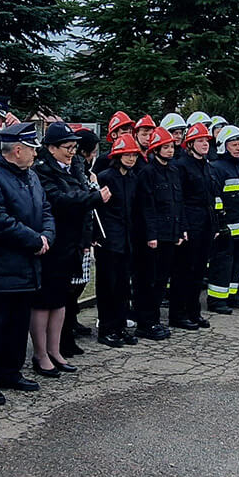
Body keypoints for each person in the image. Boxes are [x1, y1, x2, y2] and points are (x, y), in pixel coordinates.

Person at [0, 123, 55, 399]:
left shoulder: (30, 174)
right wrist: (35, 240)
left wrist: (46, 236)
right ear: (17, 150)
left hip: (27, 265)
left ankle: (10, 372)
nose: (35, 154)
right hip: (0, 267)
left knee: (18, 325)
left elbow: (45, 209)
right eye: (32, 148)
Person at [34, 121, 105, 374]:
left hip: (73, 243)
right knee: (45, 301)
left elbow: (82, 202)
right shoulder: (43, 170)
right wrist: (95, 198)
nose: (72, 151)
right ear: (51, 148)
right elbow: (59, 200)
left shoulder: (75, 167)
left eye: (74, 146)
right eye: (66, 147)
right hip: (54, 242)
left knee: (62, 299)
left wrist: (86, 238)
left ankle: (56, 350)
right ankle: (41, 354)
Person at [130, 125, 181, 342]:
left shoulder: (174, 171)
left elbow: (178, 204)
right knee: (147, 280)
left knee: (161, 280)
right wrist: (151, 235)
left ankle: (154, 320)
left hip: (170, 234)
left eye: (171, 147)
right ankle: (145, 322)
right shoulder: (147, 173)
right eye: (165, 147)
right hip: (154, 237)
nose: (170, 151)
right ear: (156, 149)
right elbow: (146, 207)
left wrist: (181, 230)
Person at [169, 121, 219, 329]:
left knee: (199, 271)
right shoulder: (181, 166)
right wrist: (183, 228)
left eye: (206, 140)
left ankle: (193, 311)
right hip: (190, 225)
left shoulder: (206, 165)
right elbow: (178, 199)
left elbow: (211, 197)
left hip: (205, 224)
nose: (205, 144)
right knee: (183, 272)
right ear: (190, 144)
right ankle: (178, 315)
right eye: (200, 141)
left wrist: (214, 225)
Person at [93, 134, 140, 346]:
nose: (131, 159)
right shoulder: (105, 177)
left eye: (134, 155)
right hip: (108, 240)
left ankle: (120, 327)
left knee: (122, 286)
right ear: (117, 155)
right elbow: (97, 210)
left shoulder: (132, 178)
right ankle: (106, 328)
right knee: (107, 286)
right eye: (127, 155)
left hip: (127, 238)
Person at [60, 124, 102, 357]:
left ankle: (71, 324)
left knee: (77, 285)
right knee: (70, 288)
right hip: (73, 240)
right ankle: (65, 335)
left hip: (84, 237)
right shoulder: (76, 170)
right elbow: (84, 202)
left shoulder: (81, 170)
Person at [206, 125, 239, 314]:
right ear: (224, 146)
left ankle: (231, 295)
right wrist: (220, 224)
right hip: (226, 227)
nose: (238, 148)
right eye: (234, 144)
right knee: (222, 264)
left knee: (237, 262)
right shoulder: (216, 168)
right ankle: (217, 300)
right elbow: (215, 200)